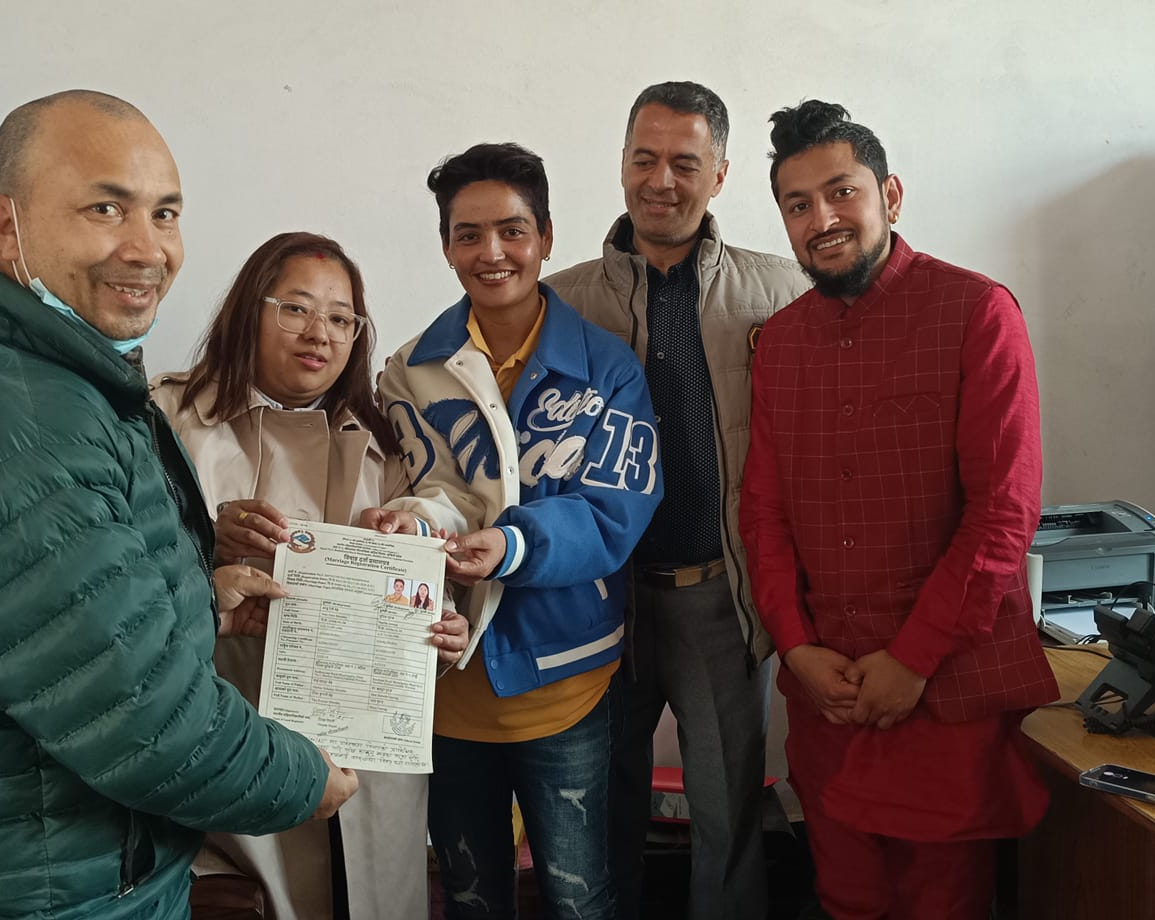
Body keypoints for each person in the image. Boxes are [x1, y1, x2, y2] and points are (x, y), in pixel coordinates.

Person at [0, 90, 356, 920]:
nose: (147, 249)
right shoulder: (11, 431)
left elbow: (64, 625)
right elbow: (141, 719)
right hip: (39, 888)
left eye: (165, 213)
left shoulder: (41, 374)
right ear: (6, 225)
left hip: (44, 862)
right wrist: (305, 779)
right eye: (105, 209)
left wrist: (199, 603)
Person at [739, 100, 1059, 918]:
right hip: (828, 697)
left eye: (841, 192)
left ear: (890, 194)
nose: (821, 219)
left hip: (942, 694)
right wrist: (795, 648)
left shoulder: (976, 312)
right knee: (844, 899)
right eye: (798, 205)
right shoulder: (780, 343)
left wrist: (913, 659)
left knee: (942, 904)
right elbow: (764, 514)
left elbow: (1003, 513)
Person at [366, 142, 663, 920]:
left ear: (547, 237)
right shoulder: (408, 370)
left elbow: (615, 511)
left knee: (579, 898)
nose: (491, 253)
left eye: (512, 230)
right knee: (470, 897)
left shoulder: (608, 369)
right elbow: (421, 488)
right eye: (468, 235)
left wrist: (513, 544)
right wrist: (408, 524)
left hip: (567, 684)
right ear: (445, 247)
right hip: (447, 684)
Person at [545, 80, 810, 920]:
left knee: (728, 812)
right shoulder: (559, 302)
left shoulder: (781, 292)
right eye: (644, 159)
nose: (661, 181)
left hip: (719, 598)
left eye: (685, 163)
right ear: (622, 163)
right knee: (596, 806)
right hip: (597, 601)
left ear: (720, 175)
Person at [150, 231, 469, 920]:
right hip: (225, 740)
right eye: (295, 308)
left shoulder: (386, 442)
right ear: (249, 311)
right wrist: (205, 544)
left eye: (341, 318)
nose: (319, 333)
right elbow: (109, 581)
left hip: (369, 757)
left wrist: (441, 632)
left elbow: (426, 581)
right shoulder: (167, 421)